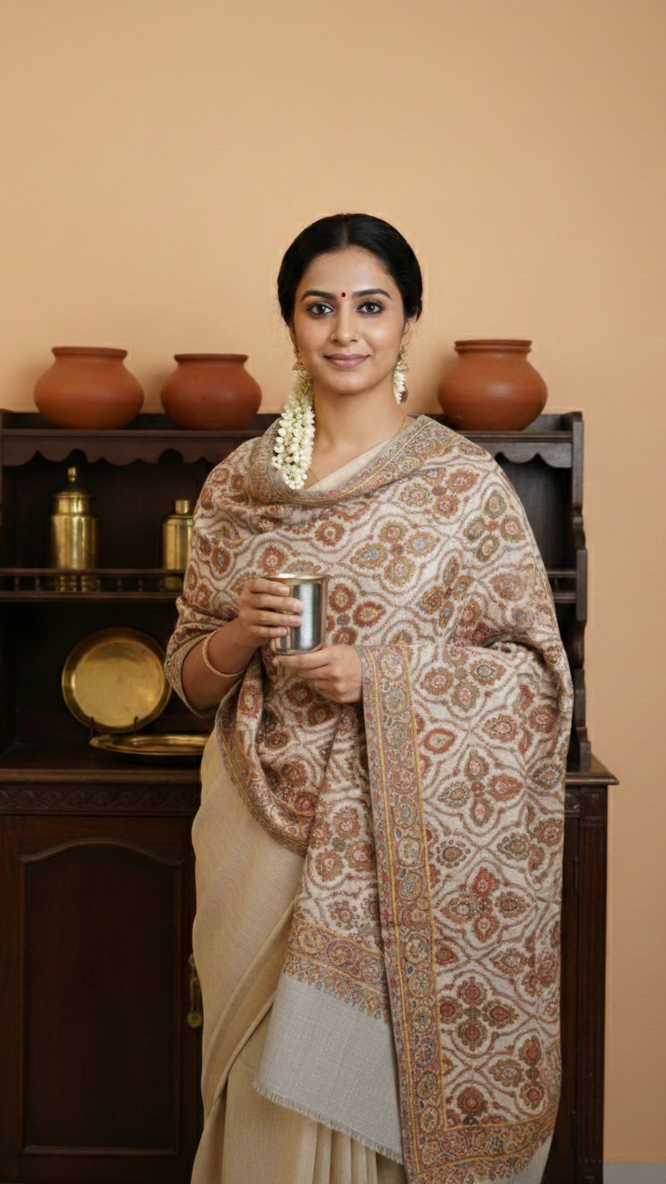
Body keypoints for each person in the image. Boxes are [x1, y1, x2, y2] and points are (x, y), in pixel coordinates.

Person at [165, 213, 573, 1184]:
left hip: (407, 843)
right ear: (291, 327)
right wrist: (239, 634)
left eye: (370, 305)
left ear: (407, 321)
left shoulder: (463, 487)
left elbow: (537, 678)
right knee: (261, 1085)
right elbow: (187, 678)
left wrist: (382, 679)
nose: (345, 330)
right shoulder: (237, 487)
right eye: (319, 307)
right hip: (256, 827)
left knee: (377, 1089)